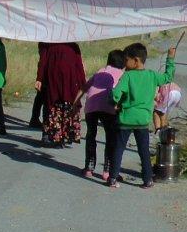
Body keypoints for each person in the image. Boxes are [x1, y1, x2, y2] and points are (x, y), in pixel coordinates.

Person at [109, 42, 176, 189]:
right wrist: (170, 59)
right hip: (143, 121)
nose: (125, 63)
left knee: (118, 149)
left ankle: (113, 177)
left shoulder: (127, 76)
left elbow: (115, 94)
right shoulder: (152, 76)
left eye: (127, 60)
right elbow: (167, 77)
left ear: (136, 60)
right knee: (144, 151)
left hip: (126, 119)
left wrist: (116, 103)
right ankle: (147, 179)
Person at [76, 49, 126, 182]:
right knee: (110, 138)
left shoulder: (100, 71)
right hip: (109, 107)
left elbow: (85, 87)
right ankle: (107, 171)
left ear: (108, 61)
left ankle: (89, 167)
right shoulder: (122, 74)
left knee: (91, 135)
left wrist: (74, 103)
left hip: (91, 106)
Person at [36, 42, 86, 147]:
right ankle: (64, 136)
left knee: (53, 108)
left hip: (53, 83)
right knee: (67, 108)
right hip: (69, 83)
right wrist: (83, 84)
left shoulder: (49, 45)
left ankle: (54, 136)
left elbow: (43, 62)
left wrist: (39, 78)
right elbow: (79, 66)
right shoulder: (73, 46)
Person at [29, 43, 50, 128]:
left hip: (45, 71)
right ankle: (40, 120)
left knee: (40, 97)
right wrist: (39, 78)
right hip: (47, 72)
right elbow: (43, 60)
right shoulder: (46, 43)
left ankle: (35, 118)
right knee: (43, 97)